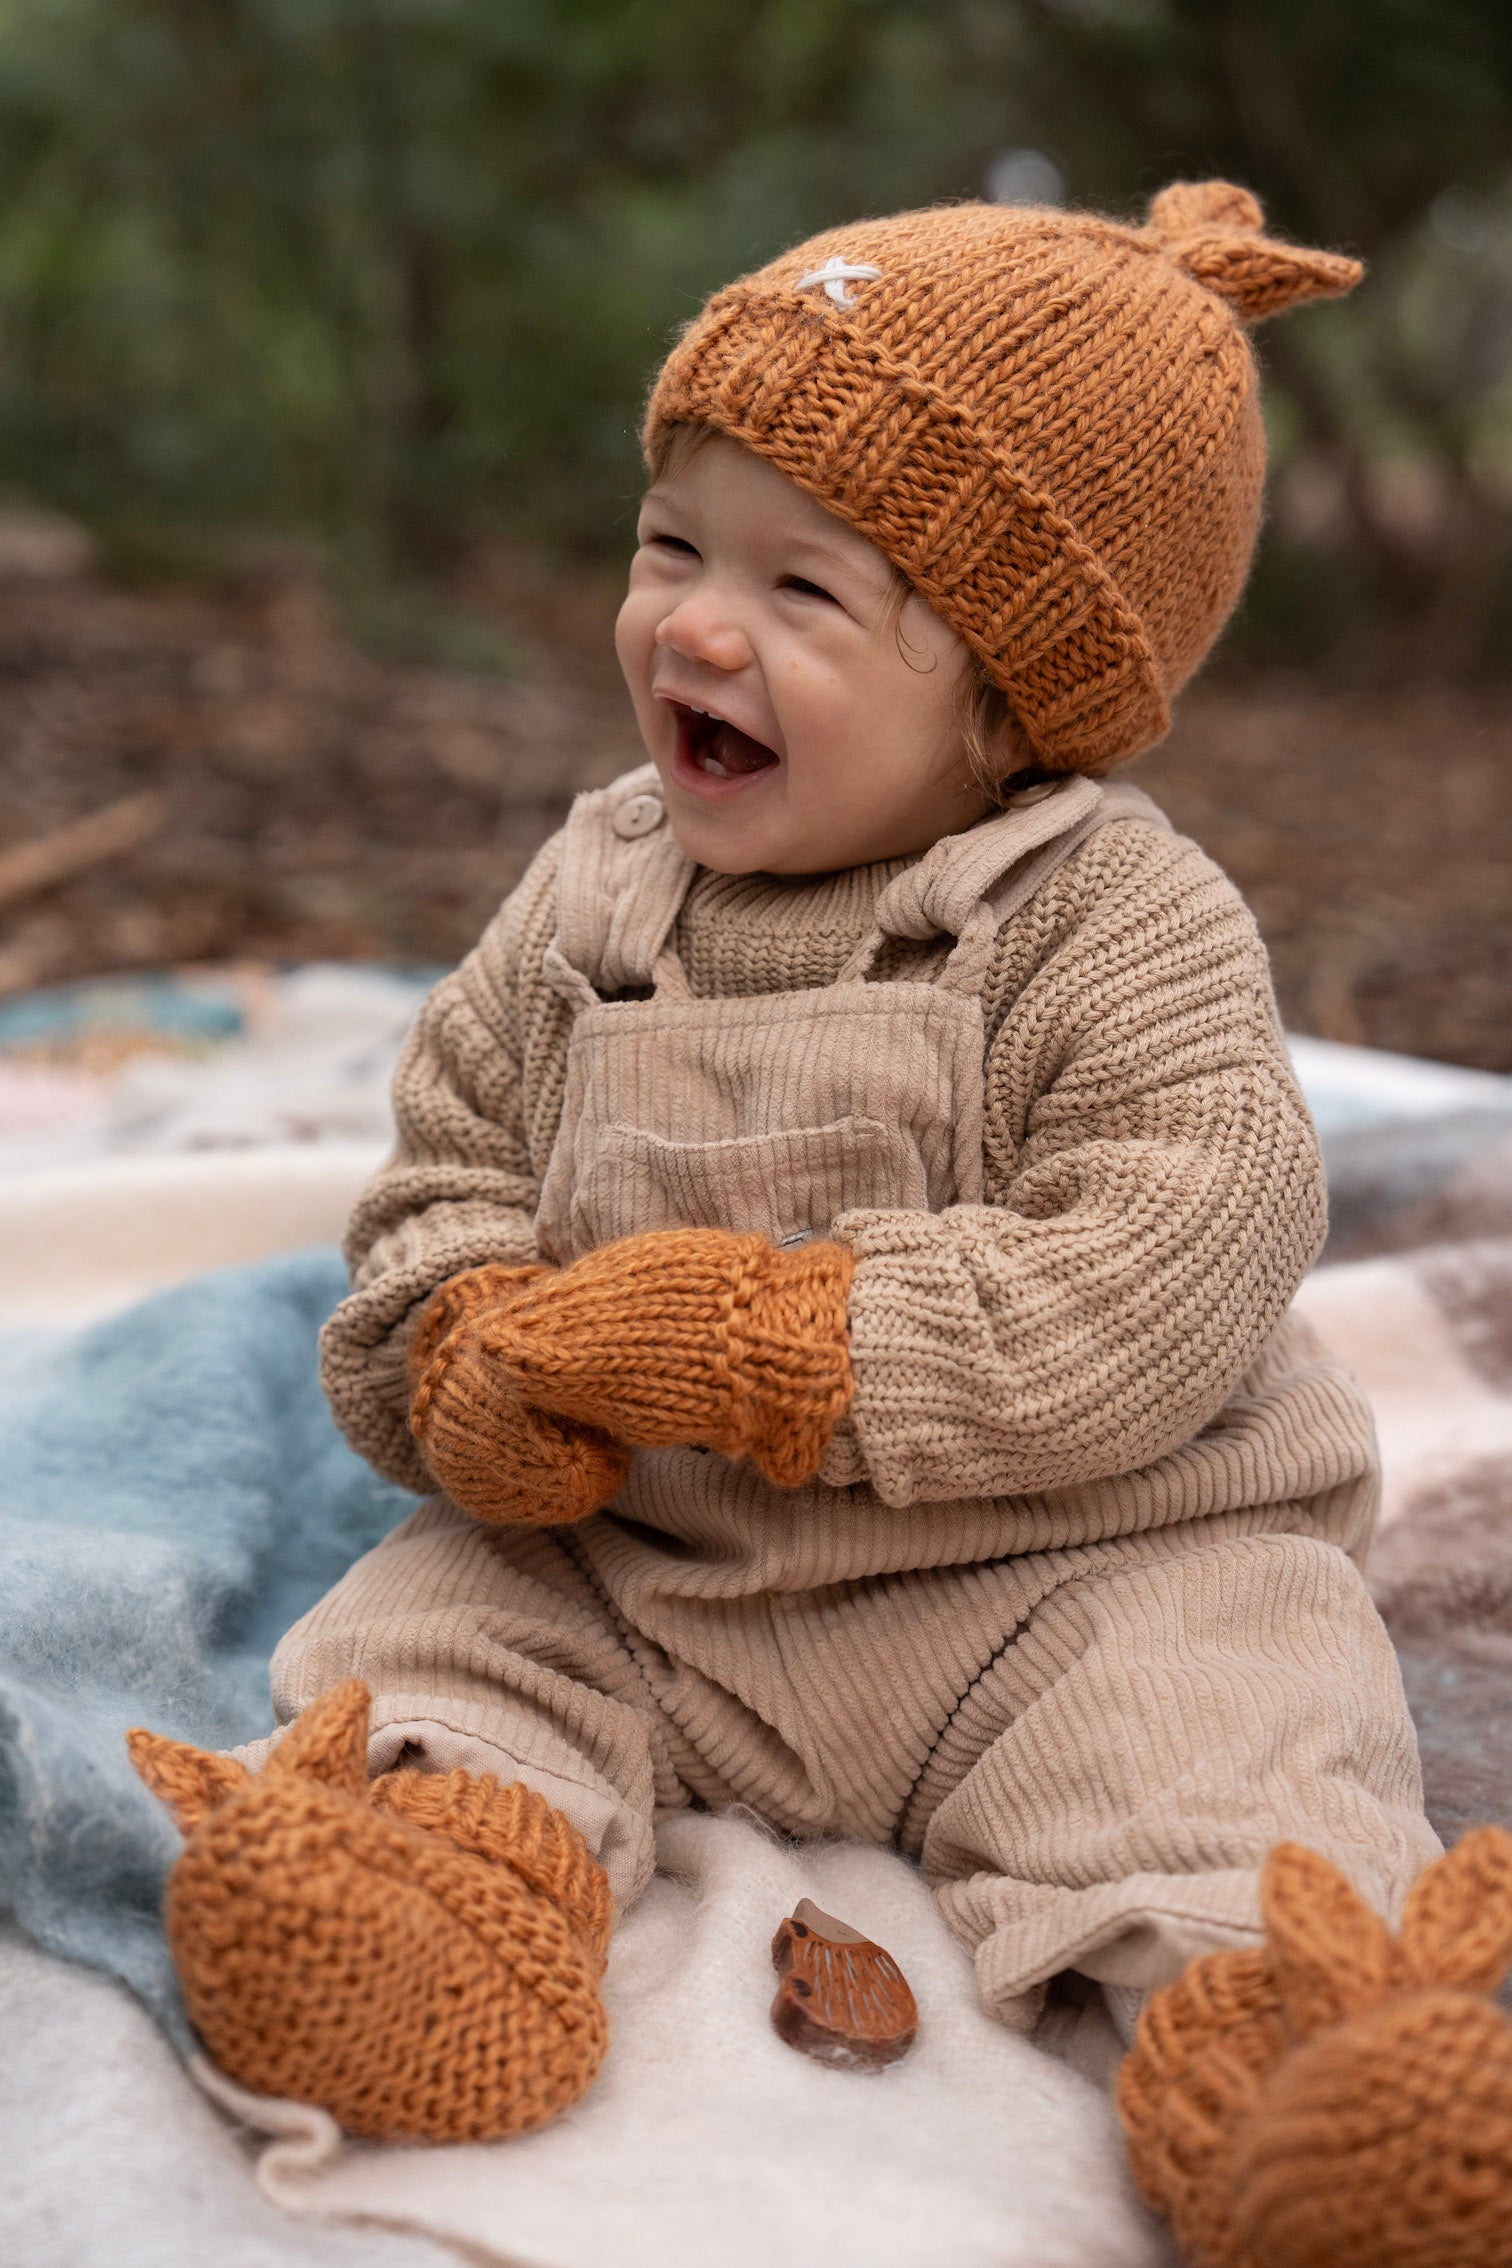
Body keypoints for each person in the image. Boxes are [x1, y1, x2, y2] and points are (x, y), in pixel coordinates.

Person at [130, 182, 1512, 2262]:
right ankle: (441, 1887)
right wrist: (464, 1355)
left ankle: (1288, 2051)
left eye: (802, 591)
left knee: (1244, 1717)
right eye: (672, 544)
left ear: (1009, 699)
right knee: (443, 1619)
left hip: (1065, 1576)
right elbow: (441, 1175)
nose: (695, 626)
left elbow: (1176, 1261)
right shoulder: (591, 894)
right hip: (655, 1568)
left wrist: (786, 1344)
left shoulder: (1114, 924)